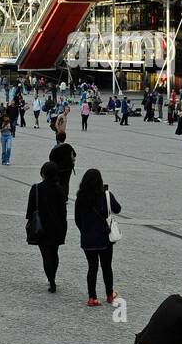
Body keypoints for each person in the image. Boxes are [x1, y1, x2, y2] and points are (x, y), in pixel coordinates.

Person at [74, 168, 120, 307]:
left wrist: (85, 231)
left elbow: (77, 220)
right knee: (107, 267)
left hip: (88, 239)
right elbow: (118, 209)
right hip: (104, 238)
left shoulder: (80, 198)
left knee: (92, 267)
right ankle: (109, 294)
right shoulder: (106, 195)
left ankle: (92, 297)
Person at [26, 161, 68, 292]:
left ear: (43, 173)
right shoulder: (60, 190)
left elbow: (30, 211)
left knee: (46, 255)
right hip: (57, 227)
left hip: (41, 228)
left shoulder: (36, 188)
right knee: (54, 253)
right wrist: (64, 229)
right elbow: (63, 213)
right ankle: (53, 277)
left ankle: (51, 280)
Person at [48, 131, 75, 198]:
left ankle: (59, 197)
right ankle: (65, 197)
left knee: (59, 183)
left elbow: (51, 159)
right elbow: (74, 155)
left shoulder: (55, 149)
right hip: (68, 168)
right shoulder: (69, 146)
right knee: (66, 183)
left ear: (57, 139)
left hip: (59, 169)